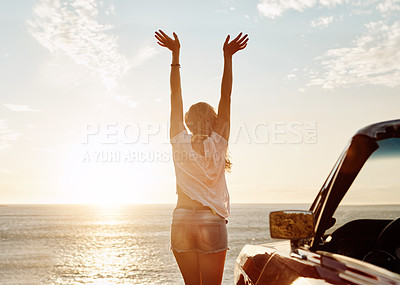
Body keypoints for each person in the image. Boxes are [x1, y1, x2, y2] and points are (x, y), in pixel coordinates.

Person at [155, 29, 248, 285]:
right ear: (215, 121)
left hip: (182, 218)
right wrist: (227, 58)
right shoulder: (219, 142)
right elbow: (226, 97)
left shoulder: (178, 140)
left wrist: (175, 55)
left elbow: (175, 96)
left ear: (187, 122)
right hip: (211, 220)